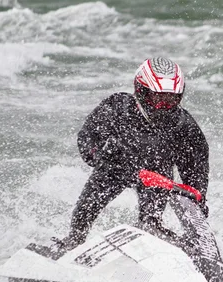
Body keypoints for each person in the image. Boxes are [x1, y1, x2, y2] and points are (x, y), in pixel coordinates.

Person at [36, 57, 209, 258]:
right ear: (142, 91)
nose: (164, 107)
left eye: (171, 100)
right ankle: (71, 245)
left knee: (150, 226)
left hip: (156, 177)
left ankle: (187, 253)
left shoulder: (185, 128)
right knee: (82, 216)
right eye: (159, 99)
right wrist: (99, 155)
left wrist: (198, 199)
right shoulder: (117, 107)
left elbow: (196, 173)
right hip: (114, 168)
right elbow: (87, 137)